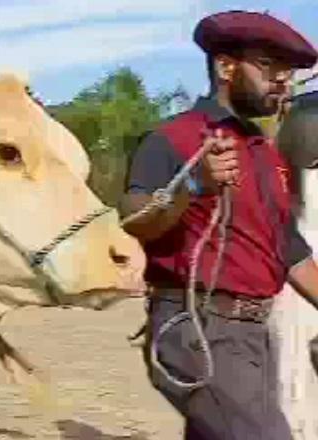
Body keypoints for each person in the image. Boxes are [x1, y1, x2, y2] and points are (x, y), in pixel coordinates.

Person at [120, 10, 318, 440]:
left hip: (252, 337)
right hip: (199, 330)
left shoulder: (265, 152)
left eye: (288, 70)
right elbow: (135, 219)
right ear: (225, 67)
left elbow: (288, 248)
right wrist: (195, 185)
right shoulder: (172, 139)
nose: (283, 80)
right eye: (269, 66)